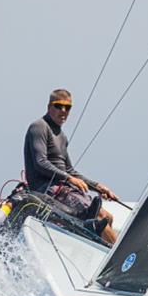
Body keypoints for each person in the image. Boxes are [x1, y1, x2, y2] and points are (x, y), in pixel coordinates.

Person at [23, 88, 119, 244]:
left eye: (67, 107)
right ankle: (121, 260)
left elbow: (70, 170)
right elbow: (40, 163)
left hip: (65, 187)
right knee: (100, 217)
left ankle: (100, 251)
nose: (63, 111)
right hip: (48, 189)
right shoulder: (39, 127)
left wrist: (97, 186)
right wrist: (69, 179)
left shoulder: (62, 136)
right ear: (49, 107)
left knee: (108, 217)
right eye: (58, 106)